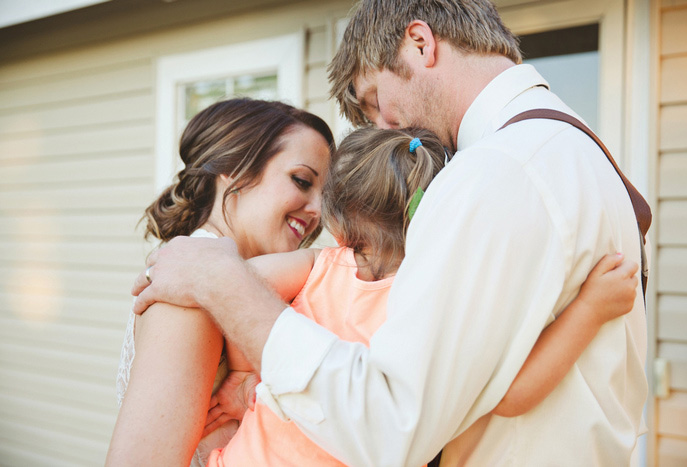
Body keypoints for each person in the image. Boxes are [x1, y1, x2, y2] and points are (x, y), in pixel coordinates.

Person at [131, 0, 650, 465]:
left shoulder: (497, 170)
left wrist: (219, 282)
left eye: (376, 98)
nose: (385, 127)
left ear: (420, 44)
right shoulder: (570, 151)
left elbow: (394, 426)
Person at [203, 127, 638, 466]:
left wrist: (245, 377)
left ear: (338, 223)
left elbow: (240, 287)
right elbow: (512, 393)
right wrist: (590, 309)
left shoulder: (320, 265)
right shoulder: (434, 291)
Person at [107, 98, 335, 466]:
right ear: (233, 168)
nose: (318, 210)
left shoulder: (235, 278)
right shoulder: (191, 291)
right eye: (302, 181)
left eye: (325, 194)